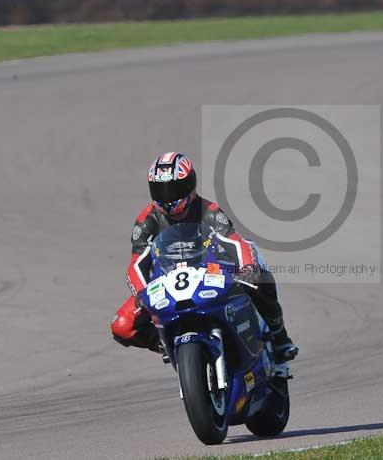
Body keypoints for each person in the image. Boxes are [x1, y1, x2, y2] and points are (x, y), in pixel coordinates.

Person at [110, 152, 298, 362]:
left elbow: (235, 242)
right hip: (165, 281)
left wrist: (247, 268)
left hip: (212, 271)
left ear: (190, 184)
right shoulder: (146, 221)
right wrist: (142, 293)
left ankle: (280, 336)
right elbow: (136, 264)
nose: (167, 196)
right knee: (122, 325)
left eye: (174, 189)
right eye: (160, 189)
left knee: (260, 276)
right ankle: (165, 342)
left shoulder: (209, 211)